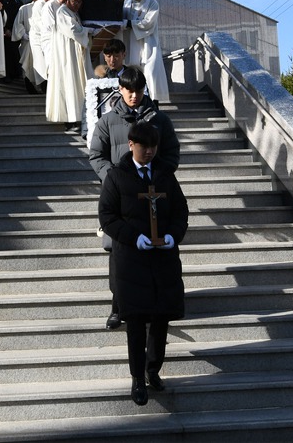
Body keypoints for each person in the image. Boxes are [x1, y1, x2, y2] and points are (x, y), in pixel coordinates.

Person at [99, 121, 188, 406]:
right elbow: (107, 217)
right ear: (131, 145)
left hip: (163, 260)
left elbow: (180, 212)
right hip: (131, 261)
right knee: (136, 322)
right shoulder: (116, 176)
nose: (149, 152)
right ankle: (137, 378)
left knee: (161, 318)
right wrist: (133, 238)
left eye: (153, 146)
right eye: (144, 146)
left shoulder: (165, 175)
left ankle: (153, 370)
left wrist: (173, 235)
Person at [89, 66, 180, 329]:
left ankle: (154, 306)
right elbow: (96, 155)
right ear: (120, 89)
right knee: (120, 252)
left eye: (138, 90)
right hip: (121, 199)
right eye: (129, 90)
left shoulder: (159, 120)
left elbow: (172, 154)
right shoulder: (108, 121)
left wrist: (158, 176)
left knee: (154, 251)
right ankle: (118, 307)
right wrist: (115, 181)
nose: (134, 95)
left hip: (153, 196)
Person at [45, 0, 93, 130]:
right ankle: (69, 120)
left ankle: (79, 118)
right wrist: (89, 30)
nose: (77, 4)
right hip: (66, 56)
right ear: (67, 0)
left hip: (75, 54)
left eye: (79, 2)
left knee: (77, 85)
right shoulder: (62, 12)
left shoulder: (73, 13)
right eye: (74, 1)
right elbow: (73, 30)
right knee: (69, 84)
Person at [123, 0, 170, 102]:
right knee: (133, 73)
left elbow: (148, 23)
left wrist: (129, 23)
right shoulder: (127, 3)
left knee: (150, 72)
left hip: (148, 43)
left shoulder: (152, 3)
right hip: (132, 42)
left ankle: (154, 102)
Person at [13, 0, 46, 94]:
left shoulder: (46, 7)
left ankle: (44, 88)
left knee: (42, 65)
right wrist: (23, 34)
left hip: (42, 42)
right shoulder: (24, 8)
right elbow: (18, 24)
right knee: (28, 65)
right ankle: (31, 88)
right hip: (28, 42)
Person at [1, 0, 24, 81]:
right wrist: (5, 29)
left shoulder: (17, 2)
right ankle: (6, 76)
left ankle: (16, 74)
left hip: (15, 32)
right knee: (6, 55)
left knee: (15, 53)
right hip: (4, 32)